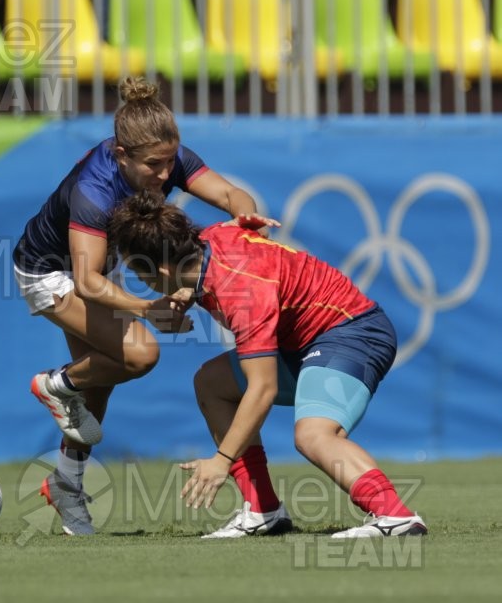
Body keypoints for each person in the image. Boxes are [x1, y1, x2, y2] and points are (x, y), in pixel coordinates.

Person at [12, 76, 279, 535]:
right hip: (49, 273)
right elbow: (87, 282)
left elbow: (230, 194)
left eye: (170, 162)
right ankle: (54, 384)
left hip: (96, 270)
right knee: (140, 354)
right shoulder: (94, 190)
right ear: (121, 155)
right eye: (154, 165)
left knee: (99, 385)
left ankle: (65, 484)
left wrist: (245, 216)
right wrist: (148, 308)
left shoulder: (165, 157)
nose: (164, 174)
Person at [107, 190, 428, 539]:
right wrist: (186, 293)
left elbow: (263, 388)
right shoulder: (210, 238)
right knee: (211, 383)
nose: (142, 284)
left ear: (164, 268)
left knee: (313, 435)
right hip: (303, 342)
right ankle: (263, 509)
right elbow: (233, 235)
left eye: (138, 273)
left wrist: (222, 460)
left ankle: (394, 514)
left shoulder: (242, 293)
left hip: (354, 332)